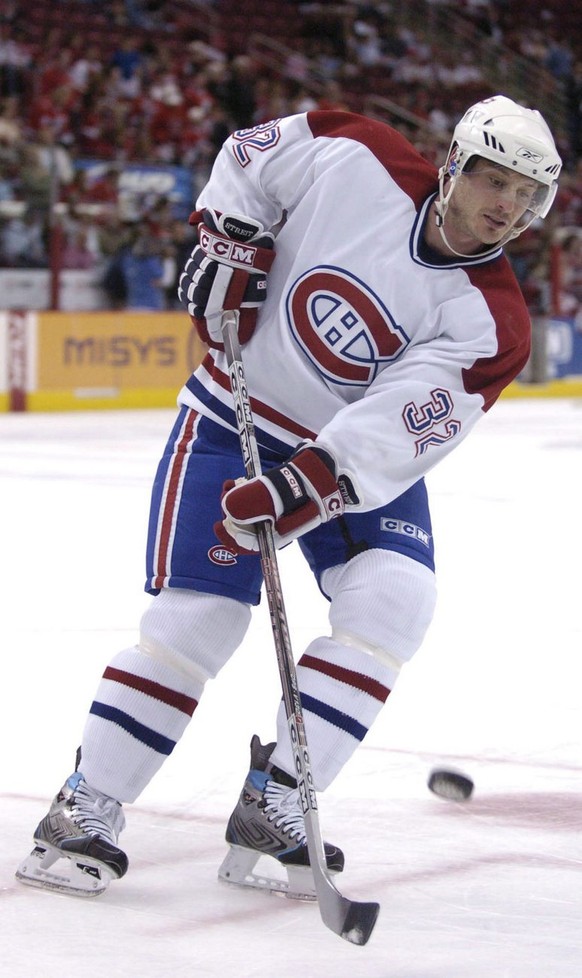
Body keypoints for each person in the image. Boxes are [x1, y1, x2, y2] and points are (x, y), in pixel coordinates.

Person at [17, 94, 561, 899]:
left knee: (396, 600)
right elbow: (250, 154)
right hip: (236, 412)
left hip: (343, 456)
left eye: (526, 194)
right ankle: (85, 803)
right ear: (453, 165)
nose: (507, 206)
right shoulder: (360, 152)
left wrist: (305, 486)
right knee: (199, 619)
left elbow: (401, 425)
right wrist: (229, 235)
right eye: (493, 180)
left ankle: (278, 802)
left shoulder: (494, 323)